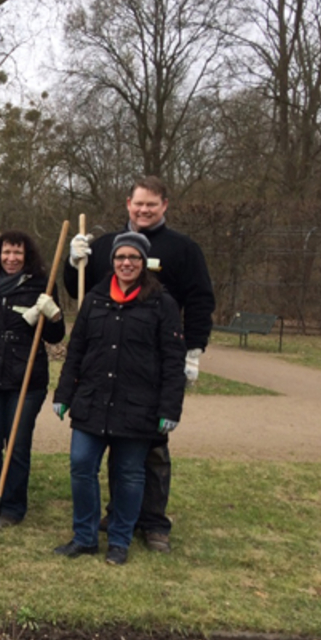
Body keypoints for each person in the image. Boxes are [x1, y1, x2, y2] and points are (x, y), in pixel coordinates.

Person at [64, 176, 214, 553]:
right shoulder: (105, 247)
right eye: (138, 204)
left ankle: (153, 521)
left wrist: (193, 350)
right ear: (127, 204)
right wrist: (73, 262)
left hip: (152, 363)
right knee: (110, 443)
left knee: (151, 449)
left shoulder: (183, 249)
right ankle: (118, 515)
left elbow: (199, 300)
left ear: (165, 205)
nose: (144, 210)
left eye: (152, 204)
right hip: (106, 364)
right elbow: (77, 291)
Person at [53, 232, 186, 565]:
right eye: (120, 257)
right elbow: (77, 351)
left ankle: (120, 541)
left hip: (137, 407)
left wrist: (170, 408)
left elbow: (172, 361)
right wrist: (64, 393)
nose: (126, 263)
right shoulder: (95, 299)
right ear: (112, 261)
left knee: (129, 473)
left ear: (144, 263)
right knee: (82, 466)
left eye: (134, 258)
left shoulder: (162, 304)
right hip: (92, 402)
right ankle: (84, 537)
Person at [0, 231, 64, 525]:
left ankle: (12, 506)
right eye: (7, 253)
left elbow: (55, 336)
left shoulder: (43, 287)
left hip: (26, 378)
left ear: (27, 257)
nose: (11, 259)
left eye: (18, 254)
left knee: (17, 444)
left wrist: (54, 316)